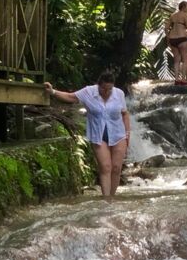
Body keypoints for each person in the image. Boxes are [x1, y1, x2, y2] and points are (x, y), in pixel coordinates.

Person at [44, 71, 130, 200]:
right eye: (103, 89)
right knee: (105, 167)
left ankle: (113, 197)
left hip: (119, 134)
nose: (106, 92)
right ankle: (106, 199)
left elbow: (125, 114)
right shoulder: (89, 92)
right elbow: (70, 97)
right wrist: (52, 92)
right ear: (98, 85)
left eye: (109, 89)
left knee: (117, 168)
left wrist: (128, 133)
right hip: (98, 135)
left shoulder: (119, 94)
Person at [163, 1, 187, 80]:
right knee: (185, 59)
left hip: (172, 39)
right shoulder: (185, 15)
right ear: (183, 6)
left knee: (176, 60)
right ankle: (183, 79)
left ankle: (176, 79)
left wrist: (168, 37)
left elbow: (166, 28)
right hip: (181, 38)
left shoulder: (173, 15)